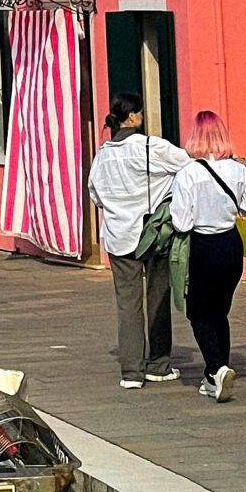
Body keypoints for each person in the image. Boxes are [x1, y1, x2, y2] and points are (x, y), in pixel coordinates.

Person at [87, 94, 186, 389]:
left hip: (118, 236)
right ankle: (158, 363)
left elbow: (95, 193)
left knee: (127, 305)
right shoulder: (150, 146)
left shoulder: (102, 154)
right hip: (152, 233)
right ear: (132, 117)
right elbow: (187, 164)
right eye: (139, 112)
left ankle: (131, 371)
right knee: (158, 299)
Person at [169, 110, 246, 402]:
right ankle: (217, 372)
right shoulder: (237, 170)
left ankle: (216, 367)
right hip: (230, 244)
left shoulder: (188, 173)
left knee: (198, 311)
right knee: (219, 311)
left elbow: (181, 223)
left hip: (201, 246)